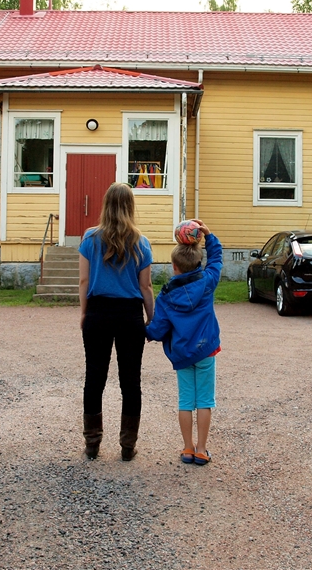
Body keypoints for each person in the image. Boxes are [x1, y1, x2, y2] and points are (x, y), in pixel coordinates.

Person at [78, 182, 155, 461]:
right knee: (130, 382)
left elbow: (84, 281)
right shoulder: (141, 242)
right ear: (130, 206)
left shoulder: (89, 238)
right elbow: (146, 287)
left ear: (105, 204)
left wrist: (85, 313)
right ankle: (127, 446)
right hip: (130, 315)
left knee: (94, 378)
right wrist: (151, 320)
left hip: (98, 312)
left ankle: (92, 443)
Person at [145, 220, 222, 466]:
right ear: (198, 263)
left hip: (182, 355)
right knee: (205, 401)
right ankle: (202, 448)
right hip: (206, 351)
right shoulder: (208, 281)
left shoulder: (166, 295)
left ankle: (187, 447)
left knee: (186, 401)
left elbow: (158, 329)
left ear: (174, 267)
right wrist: (209, 237)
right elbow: (217, 260)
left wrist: (143, 330)